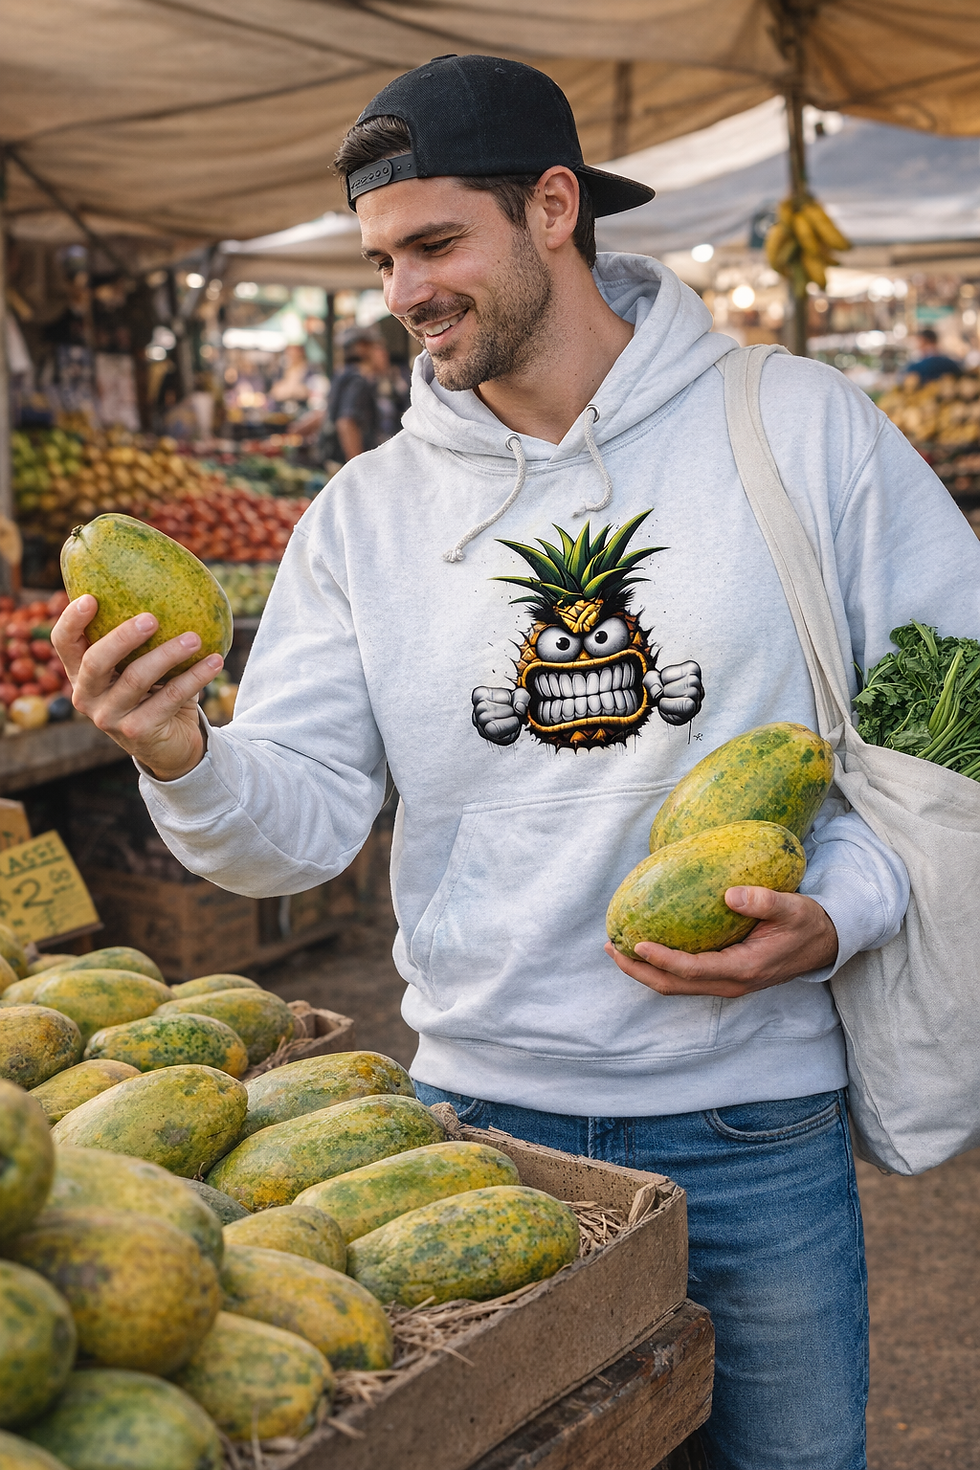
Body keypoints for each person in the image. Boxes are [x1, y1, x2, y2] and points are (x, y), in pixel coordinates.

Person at [53, 55, 980, 1470]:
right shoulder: (364, 514)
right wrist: (181, 753)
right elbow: (295, 829)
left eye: (436, 244)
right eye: (380, 259)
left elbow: (946, 713)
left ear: (556, 207)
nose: (405, 292)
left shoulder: (799, 428)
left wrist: (844, 903)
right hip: (471, 1127)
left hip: (751, 1116)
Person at [326, 324, 384, 460]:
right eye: (376, 346)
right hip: (349, 463)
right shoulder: (357, 380)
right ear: (361, 348)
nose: (382, 352)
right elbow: (346, 423)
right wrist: (359, 471)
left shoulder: (342, 375)